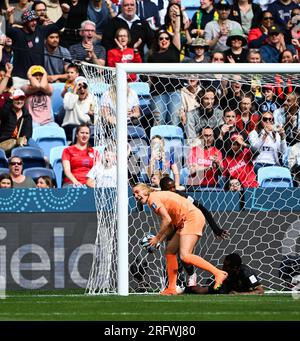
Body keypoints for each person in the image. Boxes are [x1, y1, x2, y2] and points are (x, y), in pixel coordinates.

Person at [132, 183, 228, 295]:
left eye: (137, 192)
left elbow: (166, 220)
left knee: (185, 256)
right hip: (183, 221)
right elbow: (171, 225)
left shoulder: (152, 199)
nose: (135, 195)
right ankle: (172, 288)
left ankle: (218, 273)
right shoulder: (157, 197)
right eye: (133, 194)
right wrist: (159, 240)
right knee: (170, 251)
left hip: (191, 219)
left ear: (145, 190)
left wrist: (157, 238)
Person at [184, 252, 265, 295]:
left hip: (237, 290)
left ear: (235, 268)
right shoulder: (225, 275)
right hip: (228, 286)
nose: (223, 268)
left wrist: (239, 294)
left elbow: (260, 291)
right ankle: (182, 289)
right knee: (200, 291)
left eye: (226, 267)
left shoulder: (247, 274)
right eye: (223, 265)